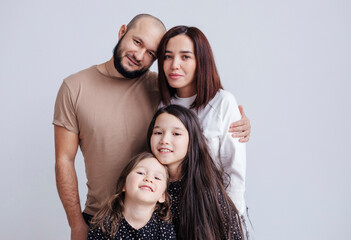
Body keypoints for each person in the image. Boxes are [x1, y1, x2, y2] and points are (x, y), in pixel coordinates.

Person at [53, 14, 251, 240]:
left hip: (168, 219)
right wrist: (76, 224)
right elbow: (64, 160)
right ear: (122, 32)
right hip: (100, 216)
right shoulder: (76, 87)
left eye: (151, 54)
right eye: (137, 42)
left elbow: (232, 170)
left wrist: (238, 120)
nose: (139, 56)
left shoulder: (164, 92)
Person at [156, 25, 250, 231]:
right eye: (168, 56)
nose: (174, 65)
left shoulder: (223, 102)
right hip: (169, 215)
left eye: (185, 57)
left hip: (210, 216)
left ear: (201, 61)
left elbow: (234, 172)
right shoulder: (163, 105)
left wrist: (231, 225)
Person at [147, 105, 243, 240]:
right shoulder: (146, 182)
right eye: (158, 133)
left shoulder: (207, 191)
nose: (164, 140)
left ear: (191, 140)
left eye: (176, 134)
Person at [87, 152, 176, 240]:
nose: (149, 179)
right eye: (141, 173)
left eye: (157, 178)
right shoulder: (103, 225)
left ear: (162, 196)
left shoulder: (165, 229)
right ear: (123, 185)